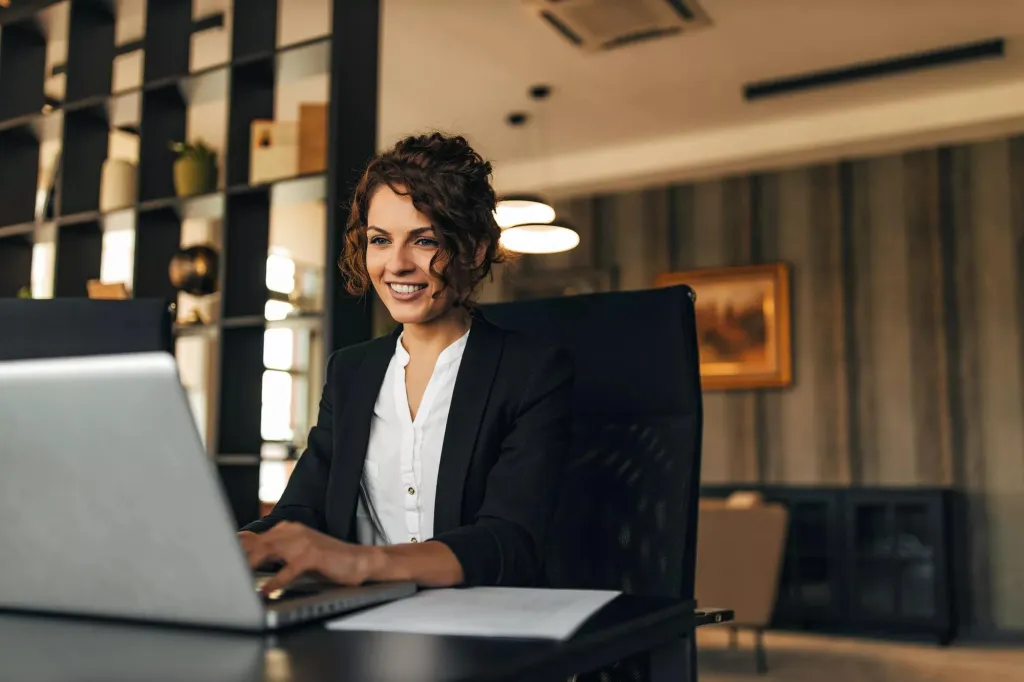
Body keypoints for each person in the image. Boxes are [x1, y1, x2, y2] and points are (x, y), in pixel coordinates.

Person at [238, 132, 574, 595]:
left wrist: (361, 562)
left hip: (480, 628)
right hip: (359, 623)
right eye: (380, 240)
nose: (396, 264)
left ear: (474, 251)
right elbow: (304, 509)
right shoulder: (350, 371)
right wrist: (239, 544)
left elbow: (509, 540)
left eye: (424, 240)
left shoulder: (531, 372)